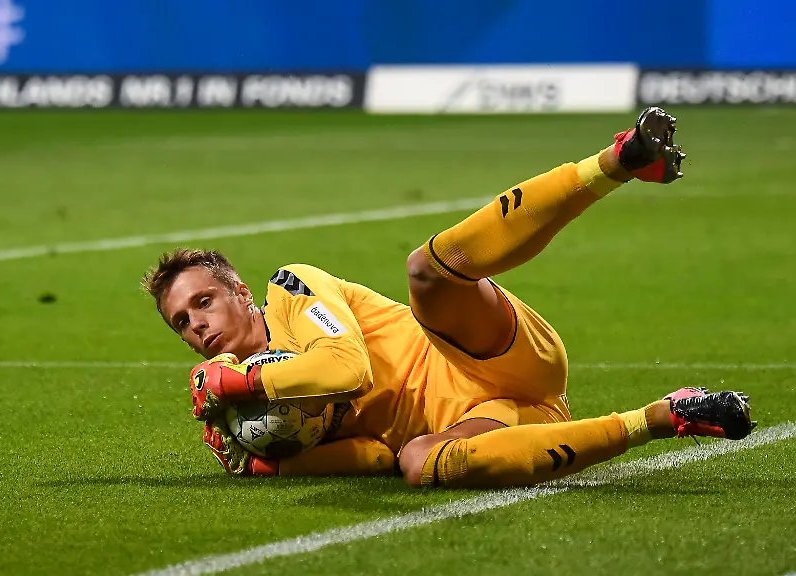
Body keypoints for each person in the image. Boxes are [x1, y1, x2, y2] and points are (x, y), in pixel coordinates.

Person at [140, 107, 755, 488]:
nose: (197, 326)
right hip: (495, 422)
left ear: (239, 291)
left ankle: (618, 161)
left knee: (427, 274)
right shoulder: (249, 404)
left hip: (483, 352)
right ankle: (660, 417)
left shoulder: (290, 289)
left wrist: (244, 384)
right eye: (181, 323)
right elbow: (373, 457)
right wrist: (272, 463)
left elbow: (347, 368)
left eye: (203, 302)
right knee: (417, 463)